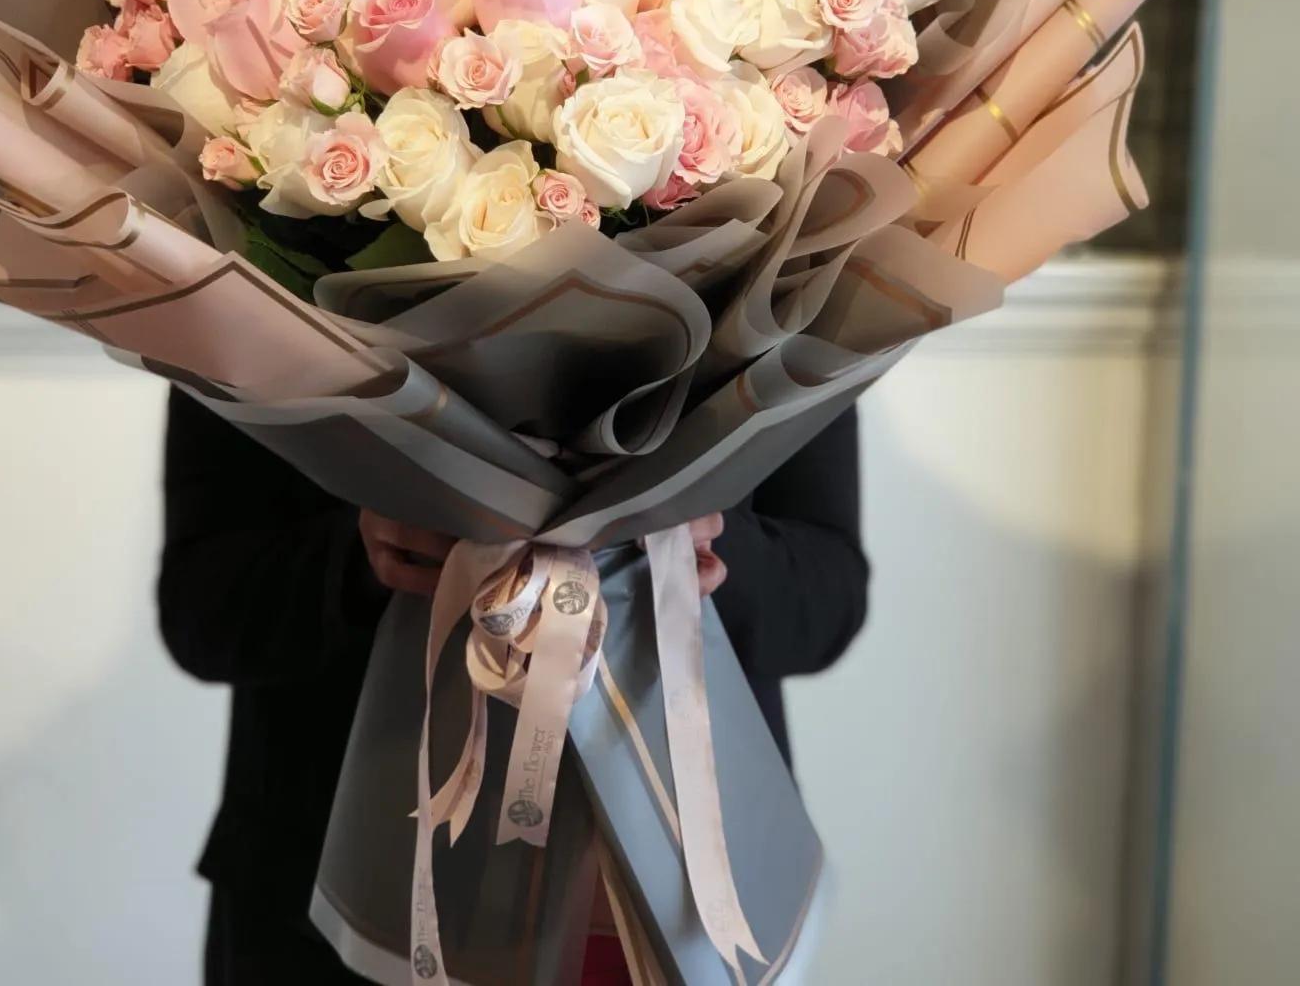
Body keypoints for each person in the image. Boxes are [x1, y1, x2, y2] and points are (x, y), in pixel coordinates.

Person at [159, 386, 868, 985]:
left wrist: (707, 551)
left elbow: (830, 603)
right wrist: (361, 556)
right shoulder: (251, 255)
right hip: (334, 894)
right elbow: (199, 614)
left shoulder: (780, 262)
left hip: (678, 899)